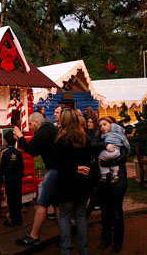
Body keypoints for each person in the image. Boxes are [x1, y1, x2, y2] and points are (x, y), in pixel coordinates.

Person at [14, 112, 58, 246]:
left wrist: (21, 137)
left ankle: (33, 236)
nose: (31, 128)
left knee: (42, 202)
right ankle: (66, 235)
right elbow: (38, 150)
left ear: (37, 123)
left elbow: (31, 149)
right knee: (56, 203)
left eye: (31, 125)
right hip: (58, 169)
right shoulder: (51, 129)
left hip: (54, 170)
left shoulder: (43, 132)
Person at [56, 109, 93, 255]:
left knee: (65, 216)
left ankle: (65, 250)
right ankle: (83, 250)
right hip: (82, 184)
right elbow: (89, 160)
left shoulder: (61, 140)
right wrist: (82, 169)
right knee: (80, 216)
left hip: (67, 183)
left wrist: (74, 168)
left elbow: (58, 163)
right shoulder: (85, 138)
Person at [95, 116, 129, 253]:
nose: (103, 127)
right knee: (105, 210)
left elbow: (123, 156)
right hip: (104, 179)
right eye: (101, 125)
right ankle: (105, 239)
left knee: (116, 210)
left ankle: (118, 242)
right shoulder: (101, 139)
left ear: (112, 124)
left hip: (118, 177)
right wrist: (104, 146)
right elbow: (94, 148)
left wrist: (107, 163)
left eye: (105, 124)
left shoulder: (120, 138)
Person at [0, 130, 24, 227]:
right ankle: (19, 219)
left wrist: (1, 179)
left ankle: (12, 219)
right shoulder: (18, 152)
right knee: (18, 198)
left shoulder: (4, 153)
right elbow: (21, 166)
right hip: (18, 179)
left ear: (5, 141)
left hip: (9, 179)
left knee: (10, 199)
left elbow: (2, 168)